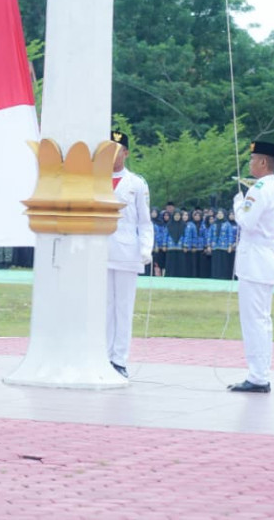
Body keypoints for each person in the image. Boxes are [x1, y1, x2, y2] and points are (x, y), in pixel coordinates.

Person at [228, 140, 274, 394]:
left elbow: (247, 222)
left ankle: (258, 376)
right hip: (265, 260)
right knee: (261, 321)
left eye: (253, 160)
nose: (249, 164)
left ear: (263, 162)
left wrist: (237, 205)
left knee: (254, 322)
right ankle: (259, 374)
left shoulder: (259, 190)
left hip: (255, 262)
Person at [105, 130, 153, 379]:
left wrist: (146, 248)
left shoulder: (136, 183)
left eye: (117, 148)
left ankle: (119, 359)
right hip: (101, 250)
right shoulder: (96, 179)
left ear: (126, 152)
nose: (112, 153)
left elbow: (145, 222)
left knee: (123, 308)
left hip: (126, 251)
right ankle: (102, 355)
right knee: (104, 307)